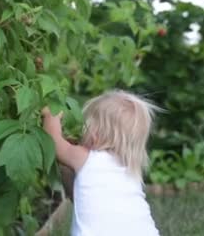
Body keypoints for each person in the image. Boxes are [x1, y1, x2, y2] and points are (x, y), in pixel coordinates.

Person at [41, 90, 161, 236]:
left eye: (86, 126)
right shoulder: (131, 172)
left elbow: (55, 144)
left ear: (95, 134)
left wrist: (50, 115)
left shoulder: (87, 158)